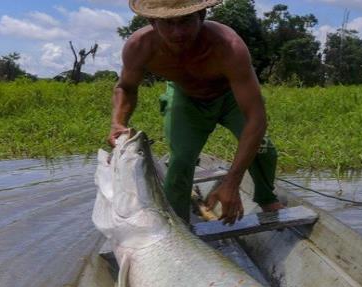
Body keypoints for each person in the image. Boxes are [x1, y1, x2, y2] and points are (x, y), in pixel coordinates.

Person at [109, 0, 283, 225]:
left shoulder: (228, 45)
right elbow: (126, 87)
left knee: (264, 151)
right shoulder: (139, 46)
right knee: (180, 162)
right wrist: (118, 122)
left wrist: (231, 182)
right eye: (168, 23)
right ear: (152, 22)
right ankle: (178, 225)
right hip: (186, 98)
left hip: (230, 97)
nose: (178, 32)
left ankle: (266, 198)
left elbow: (256, 118)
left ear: (201, 15)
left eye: (185, 21)